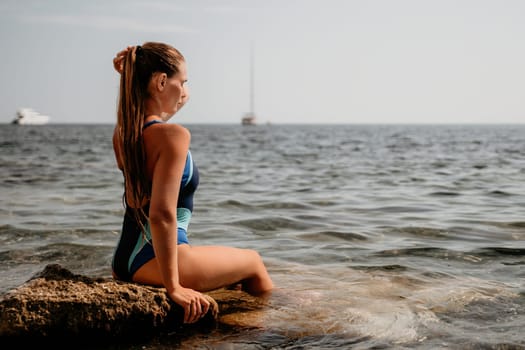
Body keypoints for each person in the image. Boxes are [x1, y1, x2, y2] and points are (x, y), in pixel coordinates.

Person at [110, 42, 274, 324]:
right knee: (253, 261)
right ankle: (277, 322)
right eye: (182, 81)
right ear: (161, 81)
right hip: (158, 262)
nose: (185, 91)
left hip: (124, 261)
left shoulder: (124, 134)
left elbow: (155, 110)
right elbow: (161, 214)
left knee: (233, 276)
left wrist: (132, 77)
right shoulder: (174, 136)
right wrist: (175, 288)